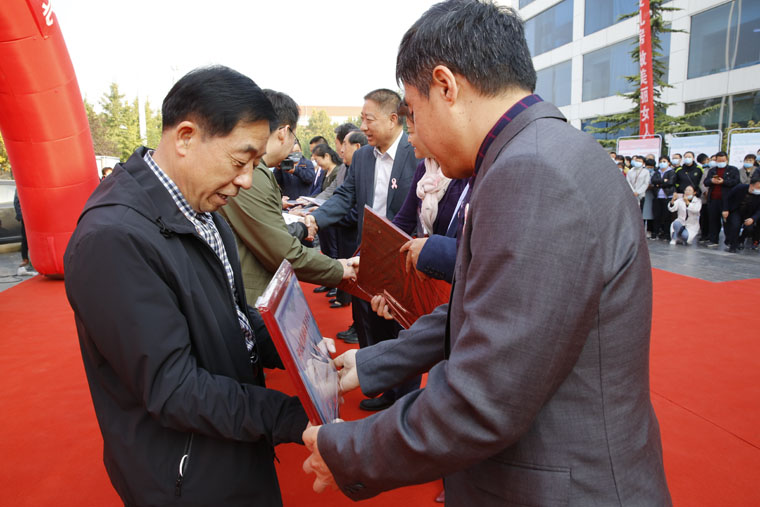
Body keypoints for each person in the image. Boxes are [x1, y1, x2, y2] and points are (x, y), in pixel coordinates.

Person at [301, 2, 671, 505]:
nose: (416, 132)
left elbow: (487, 394)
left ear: (445, 86)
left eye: (413, 111)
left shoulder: (533, 172)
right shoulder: (540, 151)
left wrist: (350, 450)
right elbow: (480, 307)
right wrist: (373, 362)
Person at [64, 66, 310, 506]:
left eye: (255, 165)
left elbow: (230, 317)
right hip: (186, 474)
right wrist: (291, 416)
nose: (246, 180)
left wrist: (302, 349)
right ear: (185, 137)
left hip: (231, 440)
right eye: (240, 161)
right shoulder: (114, 237)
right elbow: (174, 388)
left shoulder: (202, 207)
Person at [304, 88, 422, 411]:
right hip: (369, 255)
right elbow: (345, 197)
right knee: (373, 321)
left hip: (405, 257)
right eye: (362, 119)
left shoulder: (416, 153)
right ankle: (385, 389)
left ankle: (406, 402)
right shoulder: (362, 158)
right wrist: (314, 220)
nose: (363, 126)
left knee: (403, 330)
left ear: (393, 119)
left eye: (369, 119)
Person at [219, 89, 357, 304]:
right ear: (284, 132)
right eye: (295, 136)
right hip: (251, 297)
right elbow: (281, 251)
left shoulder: (255, 169)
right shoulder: (252, 174)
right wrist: (339, 268)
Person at [703, 151, 740, 247]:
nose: (721, 162)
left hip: (727, 200)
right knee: (713, 220)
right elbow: (706, 182)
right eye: (719, 161)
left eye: (723, 160)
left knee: (727, 221)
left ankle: (729, 241)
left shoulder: (733, 169)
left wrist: (724, 181)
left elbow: (736, 182)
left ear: (726, 160)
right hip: (713, 199)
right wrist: (711, 180)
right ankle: (713, 240)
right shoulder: (712, 170)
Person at [722, 172, 760, 252]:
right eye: (758, 187)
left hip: (750, 214)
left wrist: (753, 219)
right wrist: (725, 209)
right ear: (751, 185)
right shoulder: (740, 188)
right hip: (737, 210)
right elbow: (727, 198)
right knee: (735, 226)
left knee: (749, 228)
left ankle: (741, 240)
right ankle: (733, 246)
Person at [650, 156, 676, 240]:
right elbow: (653, 181)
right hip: (657, 197)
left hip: (667, 196)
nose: (662, 163)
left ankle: (666, 234)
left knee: (666, 216)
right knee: (656, 215)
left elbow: (670, 182)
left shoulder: (671, 172)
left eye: (664, 161)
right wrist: (663, 181)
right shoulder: (657, 172)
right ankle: (655, 232)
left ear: (669, 163)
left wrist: (659, 184)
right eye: (661, 161)